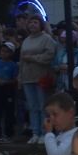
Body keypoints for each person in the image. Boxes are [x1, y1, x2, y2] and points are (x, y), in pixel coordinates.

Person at [19, 15, 57, 144]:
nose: (32, 25)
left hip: (41, 77)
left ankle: (45, 132)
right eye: (30, 22)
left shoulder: (47, 39)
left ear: (40, 24)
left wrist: (33, 58)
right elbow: (22, 60)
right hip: (27, 77)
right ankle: (35, 132)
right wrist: (20, 77)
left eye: (35, 22)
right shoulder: (26, 40)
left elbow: (49, 55)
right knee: (32, 106)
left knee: (43, 106)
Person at [0, 41, 19, 142]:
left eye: (7, 52)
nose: (4, 53)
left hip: (8, 90)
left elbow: (15, 79)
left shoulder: (13, 65)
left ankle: (8, 134)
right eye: (2, 51)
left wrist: (5, 82)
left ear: (11, 53)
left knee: (8, 112)